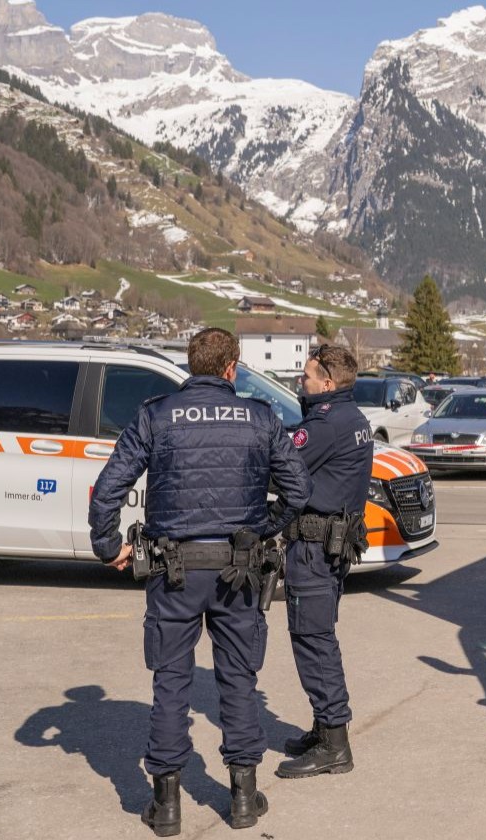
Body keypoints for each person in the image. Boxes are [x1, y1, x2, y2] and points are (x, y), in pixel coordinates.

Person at [89, 328, 311, 836]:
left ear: (192, 365)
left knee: (171, 680)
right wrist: (265, 527)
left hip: (174, 570)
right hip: (239, 568)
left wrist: (108, 545)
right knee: (238, 679)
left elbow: (109, 488)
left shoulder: (157, 414)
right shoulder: (260, 417)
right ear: (231, 368)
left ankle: (166, 805)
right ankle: (244, 799)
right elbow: (298, 490)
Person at [276, 345, 373, 779]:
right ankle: (323, 727)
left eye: (308, 376)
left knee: (313, 641)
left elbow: (283, 469)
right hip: (332, 546)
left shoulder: (325, 424)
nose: (302, 381)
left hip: (315, 549)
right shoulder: (352, 417)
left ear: (328, 384)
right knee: (319, 635)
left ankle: (334, 744)